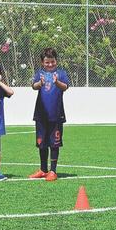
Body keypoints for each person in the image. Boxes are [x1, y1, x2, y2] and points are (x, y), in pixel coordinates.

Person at [28, 48, 70, 182]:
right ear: (42, 62)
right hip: (41, 115)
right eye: (47, 62)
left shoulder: (61, 73)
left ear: (56, 61)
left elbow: (65, 87)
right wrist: (39, 83)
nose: (50, 64)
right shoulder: (39, 73)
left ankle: (53, 170)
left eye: (52, 62)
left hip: (56, 114)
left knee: (54, 143)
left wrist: (57, 82)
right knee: (42, 143)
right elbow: (34, 86)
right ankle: (43, 169)